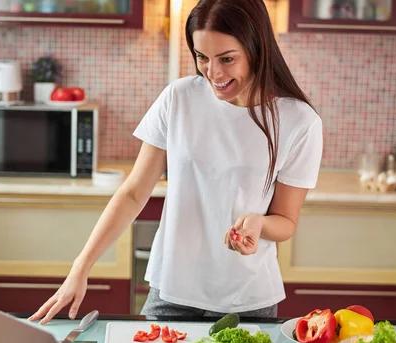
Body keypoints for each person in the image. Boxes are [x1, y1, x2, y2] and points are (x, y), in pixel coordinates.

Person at [29, 0, 323, 324]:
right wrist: (81, 267)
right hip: (170, 290)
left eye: (227, 59)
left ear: (258, 48)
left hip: (246, 298)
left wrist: (259, 223)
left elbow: (285, 221)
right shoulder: (179, 98)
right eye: (202, 57)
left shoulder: (299, 122)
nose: (214, 73)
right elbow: (132, 193)